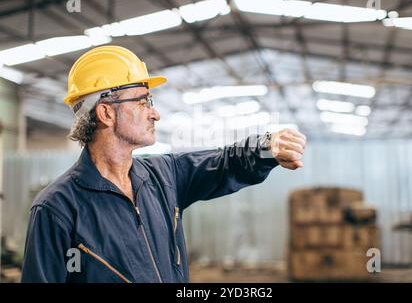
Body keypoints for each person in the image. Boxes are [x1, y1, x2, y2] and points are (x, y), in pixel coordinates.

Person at [21, 45, 306, 283]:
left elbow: (225, 163)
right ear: (106, 112)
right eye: (143, 102)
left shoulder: (164, 176)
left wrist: (265, 147)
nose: (155, 114)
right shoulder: (56, 208)